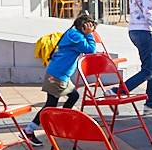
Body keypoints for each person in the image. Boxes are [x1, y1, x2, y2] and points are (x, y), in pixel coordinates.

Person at [27, 14, 101, 143]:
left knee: (73, 96)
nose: (92, 32)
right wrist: (89, 35)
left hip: (59, 75)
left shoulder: (73, 33)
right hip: (57, 76)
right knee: (50, 105)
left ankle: (60, 122)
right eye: (91, 28)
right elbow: (90, 50)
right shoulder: (76, 37)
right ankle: (29, 130)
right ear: (84, 27)